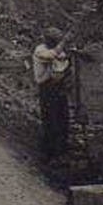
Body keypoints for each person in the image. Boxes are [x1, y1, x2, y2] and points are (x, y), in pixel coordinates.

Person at [31, 27, 71, 166]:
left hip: (57, 88)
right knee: (50, 122)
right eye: (54, 40)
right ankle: (47, 156)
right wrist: (64, 43)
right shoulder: (40, 50)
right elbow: (50, 56)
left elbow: (62, 62)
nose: (56, 43)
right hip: (46, 89)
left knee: (63, 121)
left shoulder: (57, 50)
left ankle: (61, 155)